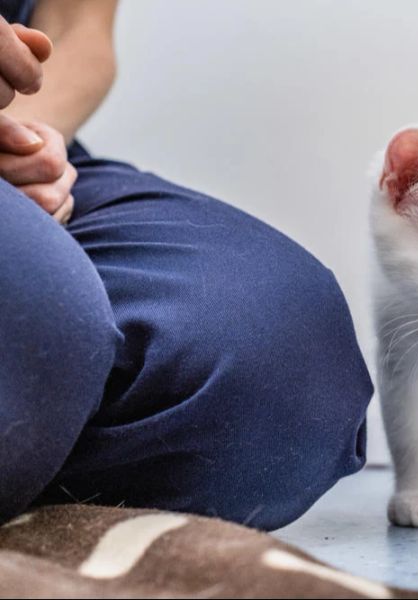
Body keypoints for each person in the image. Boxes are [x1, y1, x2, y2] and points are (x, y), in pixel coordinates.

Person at [0, 0, 372, 531]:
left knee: (281, 362)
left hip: (24, 149)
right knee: (41, 317)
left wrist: (23, 147)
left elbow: (78, 28)